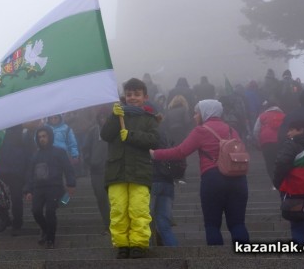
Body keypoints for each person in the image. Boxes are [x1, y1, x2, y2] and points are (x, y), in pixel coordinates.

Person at [151, 99, 250, 246]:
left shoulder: (201, 131)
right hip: (238, 179)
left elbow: (180, 151)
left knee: (212, 225)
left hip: (213, 179)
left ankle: (217, 261)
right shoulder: (231, 130)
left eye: (196, 113)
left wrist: (155, 154)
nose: (194, 116)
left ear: (205, 113)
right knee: (237, 224)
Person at [101, 77, 160, 259]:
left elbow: (155, 140)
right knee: (118, 209)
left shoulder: (149, 119)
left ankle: (138, 244)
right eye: (129, 94)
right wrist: (113, 116)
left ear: (145, 97)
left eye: (137, 94)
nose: (132, 97)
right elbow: (105, 135)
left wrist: (131, 135)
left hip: (140, 172)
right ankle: (122, 244)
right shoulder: (117, 115)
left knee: (139, 209)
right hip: (116, 172)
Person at [24, 126, 76, 249]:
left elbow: (68, 169)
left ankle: (50, 239)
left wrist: (71, 183)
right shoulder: (35, 155)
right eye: (40, 137)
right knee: (36, 211)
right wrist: (28, 190)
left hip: (54, 187)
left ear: (50, 137)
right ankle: (46, 230)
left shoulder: (59, 152)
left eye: (44, 136)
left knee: (50, 212)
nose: (42, 139)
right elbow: (30, 174)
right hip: (38, 188)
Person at [273, 120, 304, 244]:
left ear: (301, 129)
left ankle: (300, 257)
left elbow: (282, 163)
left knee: (299, 227)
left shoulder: (291, 144)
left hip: (296, 190)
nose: (288, 133)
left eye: (291, 130)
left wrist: (277, 182)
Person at [0, 124, 29, 236]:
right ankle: (6, 219)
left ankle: (17, 223)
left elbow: (29, 155)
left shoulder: (23, 134)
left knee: (16, 198)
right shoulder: (1, 131)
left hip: (17, 171)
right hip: (3, 170)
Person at [81, 106, 111, 234]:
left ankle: (115, 224)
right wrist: (90, 162)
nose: (103, 119)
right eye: (101, 117)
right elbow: (85, 148)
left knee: (114, 198)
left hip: (112, 168)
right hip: (97, 171)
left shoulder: (115, 131)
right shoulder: (93, 131)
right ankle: (107, 223)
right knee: (101, 197)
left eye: (105, 117)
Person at [252, 100, 285, 187]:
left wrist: (258, 142)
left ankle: (274, 182)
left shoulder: (262, 115)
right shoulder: (283, 115)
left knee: (269, 162)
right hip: (281, 142)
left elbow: (256, 130)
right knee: (280, 161)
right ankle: (281, 180)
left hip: (266, 142)